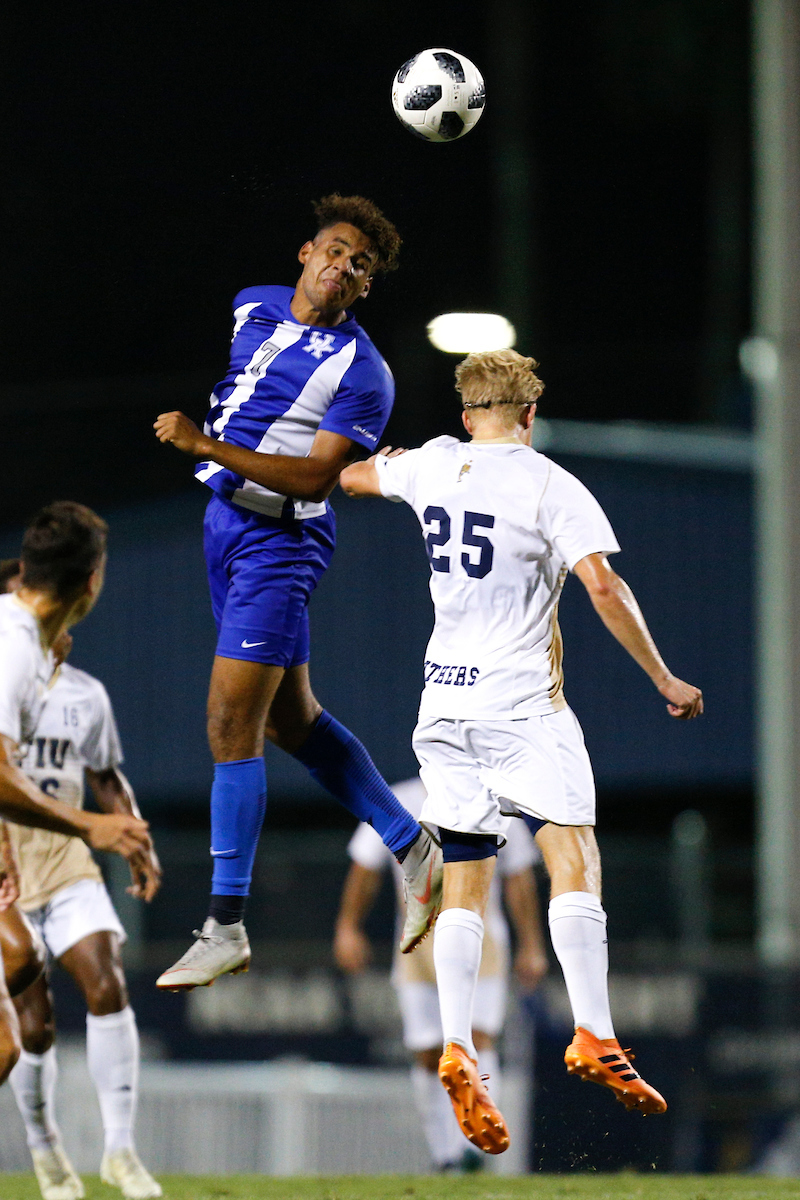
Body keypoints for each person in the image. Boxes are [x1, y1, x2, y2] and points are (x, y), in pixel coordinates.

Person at [339, 348, 703, 1155]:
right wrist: (664, 677)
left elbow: (354, 479)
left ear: (467, 414)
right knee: (571, 850)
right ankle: (594, 1032)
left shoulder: (435, 467)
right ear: (529, 415)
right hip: (521, 704)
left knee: (465, 870)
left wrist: (389, 458)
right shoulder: (548, 484)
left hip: (442, 704)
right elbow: (604, 587)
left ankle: (459, 1040)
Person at [152, 194, 441, 991]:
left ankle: (225, 924)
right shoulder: (253, 307)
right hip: (225, 528)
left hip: (281, 543)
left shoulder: (365, 375)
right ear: (307, 251)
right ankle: (411, 843)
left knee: (228, 720)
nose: (343, 268)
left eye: (361, 266)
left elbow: (318, 474)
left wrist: (202, 442)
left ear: (365, 288)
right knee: (291, 721)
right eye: (337, 251)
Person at [0, 560, 162, 1200]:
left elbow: (105, 777)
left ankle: (120, 1151)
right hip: (8, 869)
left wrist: (134, 834)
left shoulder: (85, 695)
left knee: (105, 978)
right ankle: (45, 1151)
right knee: (32, 1031)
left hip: (68, 863)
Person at [334, 774, 548, 1173]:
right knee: (428, 1051)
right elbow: (365, 867)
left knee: (478, 1037)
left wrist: (532, 943)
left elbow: (517, 877)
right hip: (419, 942)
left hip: (481, 937)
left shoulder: (495, 802)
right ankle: (444, 1155)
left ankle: (474, 1145)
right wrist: (348, 926)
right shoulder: (399, 800)